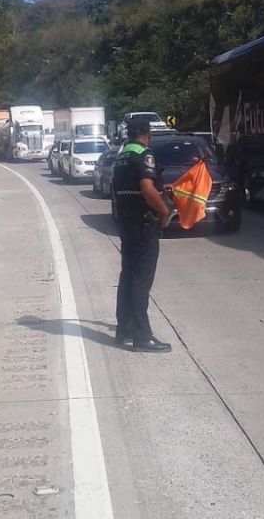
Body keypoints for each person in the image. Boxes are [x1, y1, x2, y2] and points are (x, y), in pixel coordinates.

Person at [110, 115, 173, 353]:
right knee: (140, 281)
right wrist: (164, 211)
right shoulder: (144, 154)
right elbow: (146, 189)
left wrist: (158, 190)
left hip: (126, 223)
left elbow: (130, 189)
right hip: (144, 225)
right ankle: (142, 336)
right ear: (147, 134)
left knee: (128, 276)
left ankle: (123, 329)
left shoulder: (121, 157)